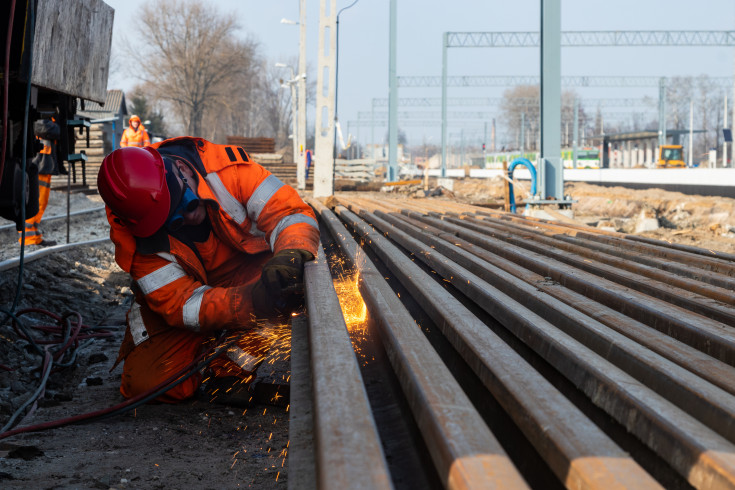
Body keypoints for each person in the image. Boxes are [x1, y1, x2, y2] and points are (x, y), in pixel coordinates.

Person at [97, 137, 319, 404]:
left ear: (184, 169)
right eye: (173, 218)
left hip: (249, 273)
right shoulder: (135, 237)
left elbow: (290, 213)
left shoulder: (229, 172)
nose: (189, 217)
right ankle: (206, 354)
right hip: (191, 294)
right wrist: (249, 301)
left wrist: (291, 254)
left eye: (186, 202)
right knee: (151, 386)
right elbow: (184, 304)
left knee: (282, 288)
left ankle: (229, 374)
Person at [19, 118, 62, 246]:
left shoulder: (50, 117)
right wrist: (60, 127)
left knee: (41, 203)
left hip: (44, 164)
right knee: (35, 201)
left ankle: (34, 236)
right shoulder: (43, 116)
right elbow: (46, 128)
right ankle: (28, 238)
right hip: (39, 163)